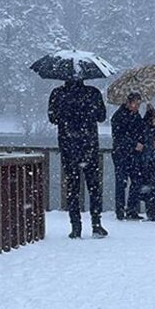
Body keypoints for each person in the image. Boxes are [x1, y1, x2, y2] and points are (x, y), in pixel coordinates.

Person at [48, 79, 109, 239]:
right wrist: (88, 111)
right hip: (89, 146)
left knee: (72, 188)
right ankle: (96, 225)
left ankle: (76, 226)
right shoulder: (93, 92)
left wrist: (67, 114)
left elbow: (52, 118)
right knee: (94, 187)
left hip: (68, 147)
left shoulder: (57, 93)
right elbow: (102, 117)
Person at [111, 92, 149, 220]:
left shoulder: (136, 115)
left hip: (134, 155)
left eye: (139, 104)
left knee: (137, 182)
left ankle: (132, 209)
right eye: (134, 103)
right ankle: (120, 211)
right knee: (122, 183)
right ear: (128, 102)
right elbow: (119, 136)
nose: (137, 106)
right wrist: (134, 144)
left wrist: (149, 114)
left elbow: (142, 129)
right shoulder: (118, 116)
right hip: (121, 154)